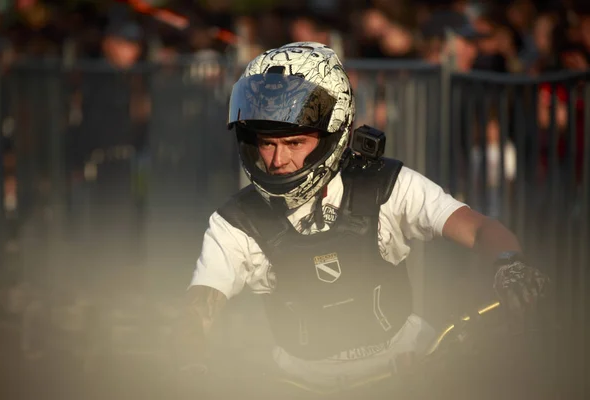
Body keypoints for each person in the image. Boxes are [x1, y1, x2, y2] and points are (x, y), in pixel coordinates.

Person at [173, 42, 550, 393]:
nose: (276, 160)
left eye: (294, 143)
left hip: (411, 367)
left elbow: (479, 227)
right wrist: (190, 361)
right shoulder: (236, 220)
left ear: (332, 133)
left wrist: (509, 264)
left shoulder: (387, 184)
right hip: (295, 384)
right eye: (266, 143)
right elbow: (201, 304)